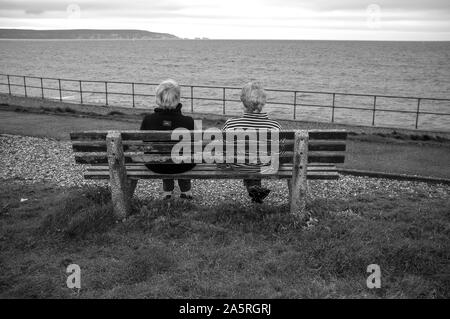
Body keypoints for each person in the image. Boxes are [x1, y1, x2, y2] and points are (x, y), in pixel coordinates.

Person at [222, 81, 281, 203]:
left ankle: (253, 188)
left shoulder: (231, 124)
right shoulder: (274, 126)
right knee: (256, 160)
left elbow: (222, 147)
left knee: (246, 160)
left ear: (243, 101)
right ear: (263, 102)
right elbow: (280, 150)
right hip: (266, 166)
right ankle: (255, 188)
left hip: (239, 165)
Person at [140, 79, 195, 200]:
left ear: (158, 98)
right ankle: (186, 191)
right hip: (183, 166)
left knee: (163, 155)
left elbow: (144, 143)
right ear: (178, 99)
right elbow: (194, 146)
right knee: (182, 155)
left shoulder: (148, 120)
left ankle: (167, 191)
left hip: (156, 165)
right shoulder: (188, 121)